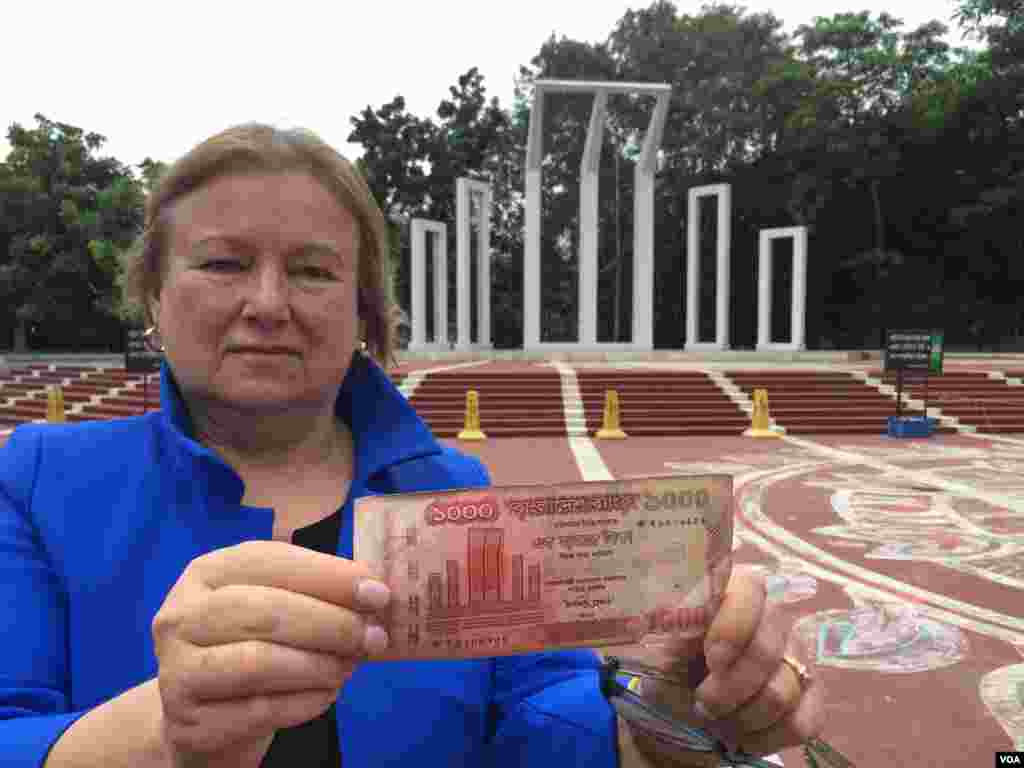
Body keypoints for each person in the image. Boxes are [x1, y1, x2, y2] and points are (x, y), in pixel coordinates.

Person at [0, 123, 824, 768]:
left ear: (364, 313)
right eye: (222, 263)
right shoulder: (37, 480)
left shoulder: (454, 487)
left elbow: (539, 728)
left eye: (315, 272)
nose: (268, 303)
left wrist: (670, 713)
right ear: (152, 293)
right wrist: (159, 734)